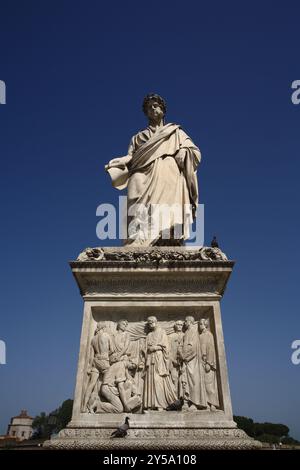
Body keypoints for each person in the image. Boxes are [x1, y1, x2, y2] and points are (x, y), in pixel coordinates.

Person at [105, 94, 201, 245]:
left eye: (155, 106)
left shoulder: (175, 132)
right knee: (134, 198)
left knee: (167, 207)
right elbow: (130, 156)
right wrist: (120, 161)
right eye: (149, 107)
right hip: (141, 170)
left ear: (163, 110)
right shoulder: (137, 137)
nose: (152, 109)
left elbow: (195, 152)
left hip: (167, 168)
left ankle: (166, 237)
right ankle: (137, 237)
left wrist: (184, 151)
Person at [143, 316, 177, 411]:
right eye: (149, 323)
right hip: (150, 359)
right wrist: (147, 350)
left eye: (151, 322)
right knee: (150, 381)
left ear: (156, 322)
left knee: (158, 381)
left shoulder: (162, 332)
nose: (150, 324)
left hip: (159, 358)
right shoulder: (149, 335)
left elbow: (166, 346)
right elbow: (145, 348)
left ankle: (160, 404)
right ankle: (151, 404)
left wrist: (155, 348)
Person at [82, 322, 112, 412]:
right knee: (110, 381)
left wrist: (89, 367)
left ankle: (84, 406)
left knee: (91, 384)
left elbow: (91, 356)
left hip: (95, 361)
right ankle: (107, 404)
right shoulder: (106, 336)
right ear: (103, 328)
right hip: (104, 361)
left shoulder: (93, 339)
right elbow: (112, 350)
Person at [179, 316, 207, 411]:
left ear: (190, 322)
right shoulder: (186, 333)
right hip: (185, 361)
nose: (184, 323)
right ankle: (186, 402)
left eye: (185, 321)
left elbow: (193, 348)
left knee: (193, 382)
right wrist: (181, 353)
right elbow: (181, 345)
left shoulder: (194, 333)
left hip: (192, 362)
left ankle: (195, 403)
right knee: (184, 381)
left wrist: (185, 357)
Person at [199, 318, 219, 411]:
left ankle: (213, 404)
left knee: (209, 384)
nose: (199, 326)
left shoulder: (209, 335)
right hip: (200, 363)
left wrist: (209, 363)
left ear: (205, 325)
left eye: (201, 324)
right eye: (199, 324)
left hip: (207, 363)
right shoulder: (200, 336)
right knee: (202, 384)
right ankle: (206, 403)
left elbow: (211, 349)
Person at [168, 320, 184, 397]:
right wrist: (172, 360)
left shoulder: (185, 335)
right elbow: (168, 350)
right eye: (178, 324)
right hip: (173, 363)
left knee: (183, 381)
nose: (179, 326)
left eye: (181, 324)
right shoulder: (171, 336)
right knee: (174, 379)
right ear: (175, 326)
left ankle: (183, 400)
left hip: (183, 363)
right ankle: (174, 398)